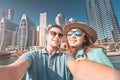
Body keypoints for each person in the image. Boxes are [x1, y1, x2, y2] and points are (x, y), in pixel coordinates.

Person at [0, 25, 75, 80]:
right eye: (53, 33)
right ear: (46, 36)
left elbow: (77, 68)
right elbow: (14, 71)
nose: (57, 36)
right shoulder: (32, 55)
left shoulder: (66, 57)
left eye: (60, 35)